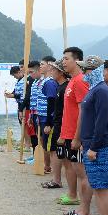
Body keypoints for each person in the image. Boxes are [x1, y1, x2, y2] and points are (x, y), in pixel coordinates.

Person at [76, 56, 108, 215]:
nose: (84, 74)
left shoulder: (101, 91)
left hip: (98, 147)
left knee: (101, 187)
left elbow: (101, 121)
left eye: (87, 70)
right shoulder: (95, 89)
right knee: (97, 186)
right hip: (91, 144)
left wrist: (94, 146)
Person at [62, 47, 93, 215]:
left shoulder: (81, 81)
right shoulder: (72, 81)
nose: (64, 62)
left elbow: (83, 111)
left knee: (83, 174)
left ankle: (85, 211)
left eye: (67, 58)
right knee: (76, 170)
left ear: (77, 60)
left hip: (77, 136)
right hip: (69, 134)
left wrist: (77, 137)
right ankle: (81, 208)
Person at [42, 60, 69, 189]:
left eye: (53, 70)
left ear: (60, 72)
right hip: (57, 123)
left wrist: (48, 123)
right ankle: (56, 178)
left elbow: (56, 107)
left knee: (55, 151)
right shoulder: (59, 86)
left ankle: (57, 180)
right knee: (54, 150)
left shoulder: (65, 88)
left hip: (60, 124)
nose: (51, 72)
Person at [37, 57, 58, 175]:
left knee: (49, 146)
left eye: (42, 64)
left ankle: (50, 168)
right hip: (41, 116)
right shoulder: (43, 81)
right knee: (44, 143)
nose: (40, 66)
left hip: (47, 117)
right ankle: (47, 165)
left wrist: (49, 122)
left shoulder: (49, 82)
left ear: (50, 66)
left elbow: (51, 102)